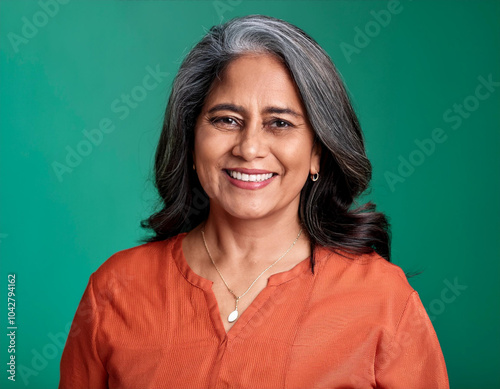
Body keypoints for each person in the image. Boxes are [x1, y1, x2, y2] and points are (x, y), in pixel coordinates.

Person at [59, 14, 449, 389]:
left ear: (318, 152)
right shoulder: (115, 290)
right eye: (226, 119)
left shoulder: (383, 300)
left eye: (279, 123)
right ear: (192, 139)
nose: (249, 148)